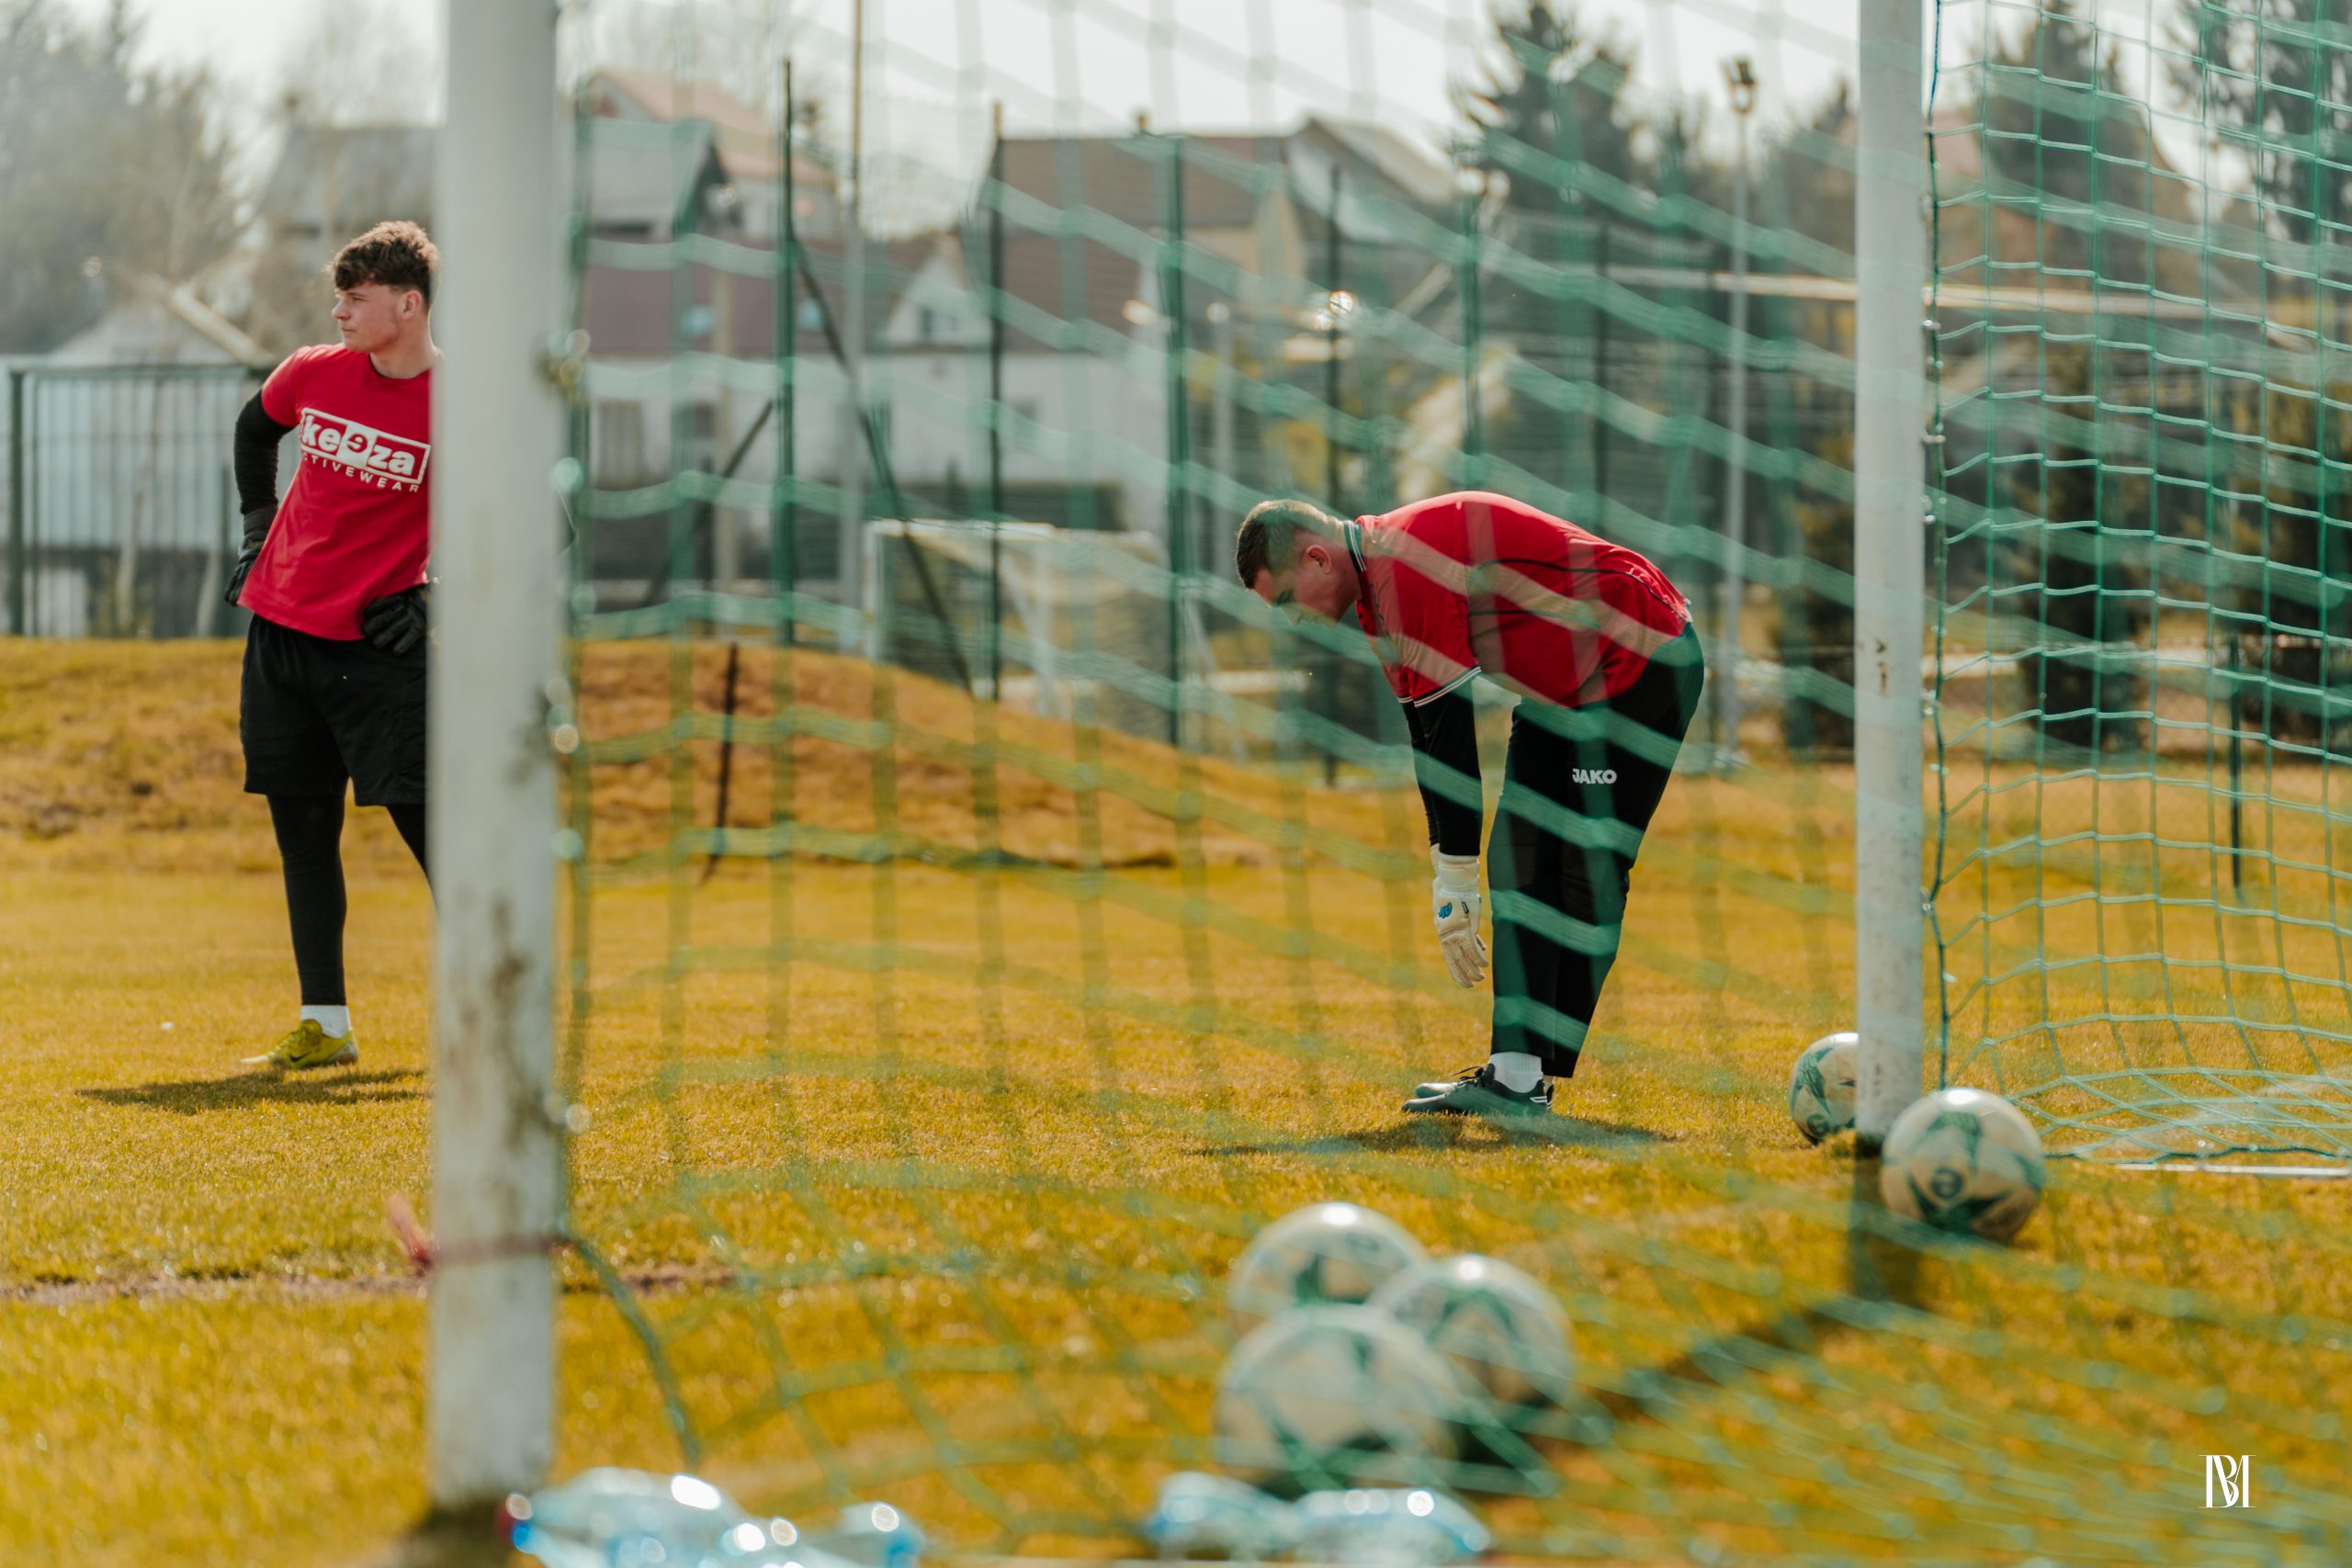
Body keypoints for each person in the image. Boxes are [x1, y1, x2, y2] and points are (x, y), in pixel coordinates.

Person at [1236, 491, 1702, 1117]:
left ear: (1318, 558)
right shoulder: (1376, 598)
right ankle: (1516, 1078)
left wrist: (1457, 877)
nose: (1295, 619)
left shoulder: (1402, 565)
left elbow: (1454, 737)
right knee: (1518, 859)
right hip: (1566, 688)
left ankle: (1527, 1076)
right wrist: (1446, 869)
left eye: (1289, 600)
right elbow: (1427, 739)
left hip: (1643, 658)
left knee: (1580, 869)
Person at [226, 220, 439, 1070]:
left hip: (379, 654)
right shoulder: (314, 370)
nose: (339, 312)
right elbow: (253, 431)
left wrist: (439, 598)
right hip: (280, 637)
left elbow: (547, 525)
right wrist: (256, 532)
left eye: (356, 299)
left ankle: (495, 1019)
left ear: (408, 305)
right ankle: (326, 1024)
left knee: (438, 837)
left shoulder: (467, 403)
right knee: (305, 834)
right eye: (338, 298)